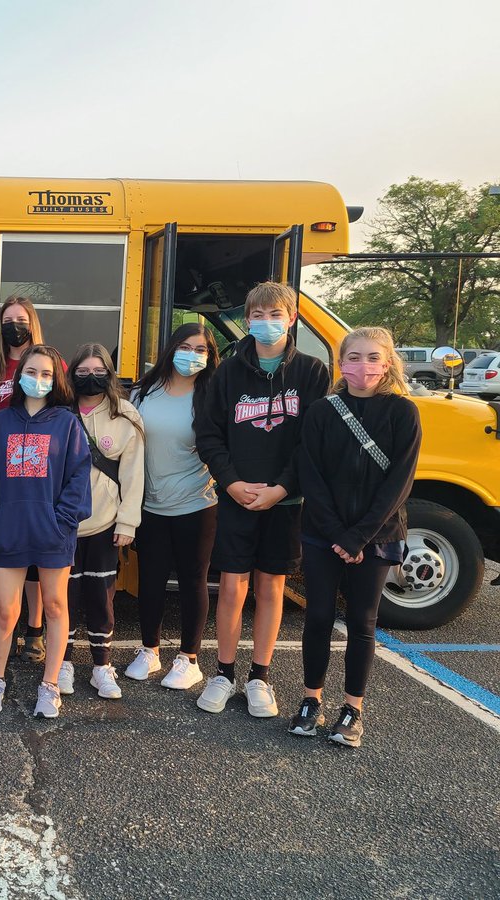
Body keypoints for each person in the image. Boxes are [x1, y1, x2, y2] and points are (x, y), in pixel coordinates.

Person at [195, 282, 330, 718]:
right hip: (237, 497)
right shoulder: (228, 373)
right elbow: (209, 434)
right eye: (258, 314)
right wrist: (231, 482)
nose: (266, 322)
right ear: (247, 319)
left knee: (272, 587)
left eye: (276, 314)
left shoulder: (312, 372)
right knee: (232, 587)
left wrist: (283, 488)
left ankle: (259, 677)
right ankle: (224, 673)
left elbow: (313, 441)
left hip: (285, 502)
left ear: (292, 318)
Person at [292, 327, 420, 747]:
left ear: (387, 364)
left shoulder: (404, 414)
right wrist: (336, 534)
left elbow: (399, 482)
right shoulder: (321, 412)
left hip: (377, 535)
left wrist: (357, 537)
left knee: (364, 623)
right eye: (353, 357)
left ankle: (352, 708)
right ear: (340, 362)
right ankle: (311, 700)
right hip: (322, 534)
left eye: (371, 358)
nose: (361, 367)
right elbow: (311, 475)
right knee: (318, 617)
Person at [0, 344, 91, 719]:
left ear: (55, 379)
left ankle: (50, 685)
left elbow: (78, 478)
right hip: (9, 532)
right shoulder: (1, 423)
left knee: (56, 606)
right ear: (19, 375)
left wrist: (62, 522)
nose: (38, 379)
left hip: (53, 534)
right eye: (31, 371)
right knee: (5, 611)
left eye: (46, 373)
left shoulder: (67, 423)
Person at [127, 324, 220, 691]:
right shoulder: (142, 392)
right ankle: (149, 649)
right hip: (149, 505)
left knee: (192, 580)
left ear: (210, 357)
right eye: (185, 346)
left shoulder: (212, 396)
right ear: (170, 348)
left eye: (201, 349)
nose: (192, 355)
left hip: (195, 503)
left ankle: (188, 658)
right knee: (149, 579)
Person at [64, 343, 145, 700]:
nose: (91, 377)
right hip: (62, 524)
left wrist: (127, 522)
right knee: (62, 598)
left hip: (105, 524)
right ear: (72, 374)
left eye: (98, 370)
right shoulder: (59, 411)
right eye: (83, 371)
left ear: (109, 374)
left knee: (101, 597)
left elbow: (133, 472)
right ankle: (62, 663)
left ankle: (101, 666)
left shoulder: (125, 415)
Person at [0, 296, 52, 664]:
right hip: (3, 468)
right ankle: (7, 625)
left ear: (32, 323)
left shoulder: (47, 363)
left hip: (37, 467)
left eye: (21, 319)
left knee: (38, 559)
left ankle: (35, 630)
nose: (14, 326)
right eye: (8, 320)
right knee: (12, 552)